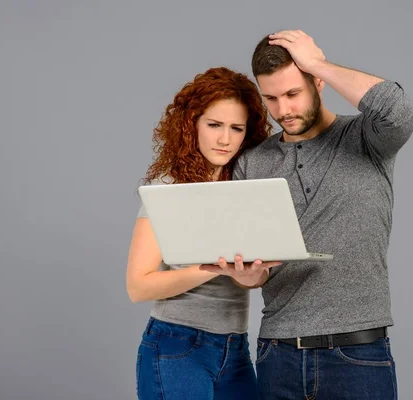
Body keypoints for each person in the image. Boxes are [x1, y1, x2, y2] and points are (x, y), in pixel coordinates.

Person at [201, 30, 413, 399]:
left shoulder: (366, 138)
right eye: (271, 98)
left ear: (319, 82)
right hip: (277, 355)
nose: (283, 110)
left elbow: (397, 110)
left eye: (293, 94)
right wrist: (249, 276)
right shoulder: (253, 163)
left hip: (357, 353)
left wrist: (317, 62)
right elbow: (252, 271)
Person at [126, 66, 278, 400]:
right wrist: (209, 269)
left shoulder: (246, 190)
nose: (225, 139)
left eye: (236, 128)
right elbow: (139, 286)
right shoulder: (168, 189)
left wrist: (254, 275)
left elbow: (246, 280)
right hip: (177, 345)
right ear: (191, 123)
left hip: (235, 349)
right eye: (214, 125)